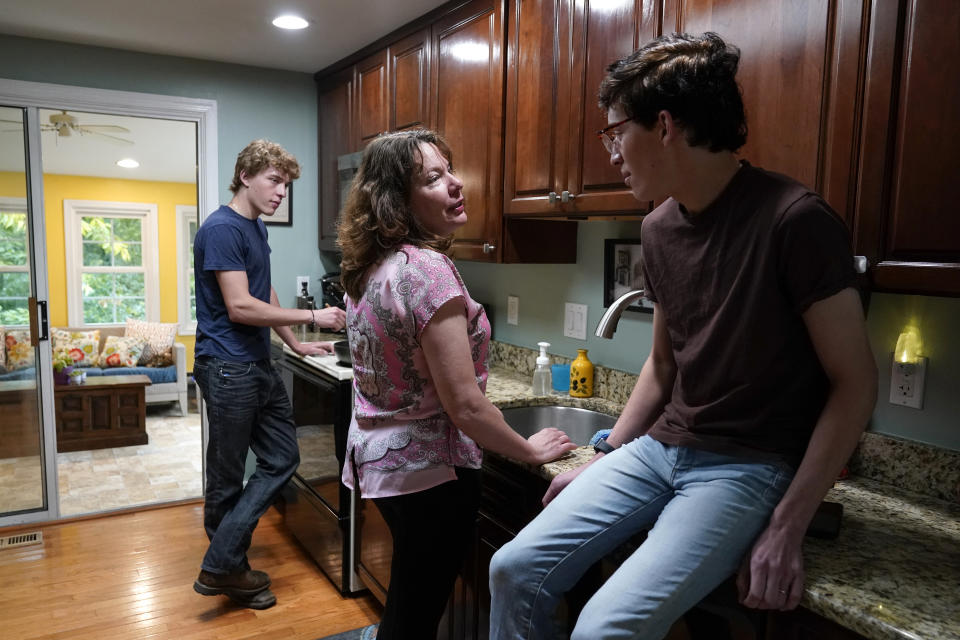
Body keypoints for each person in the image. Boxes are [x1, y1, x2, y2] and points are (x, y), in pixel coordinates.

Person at [489, 32, 878, 639]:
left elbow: (854, 385)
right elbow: (663, 367)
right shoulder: (658, 228)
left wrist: (787, 524)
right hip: (658, 450)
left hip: (747, 468)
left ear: (665, 125)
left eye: (616, 132)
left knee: (602, 628)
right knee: (512, 566)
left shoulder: (795, 219)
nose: (612, 152)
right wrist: (606, 454)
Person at [337, 129, 577, 640]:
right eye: (433, 177)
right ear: (396, 201)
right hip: (432, 474)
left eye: (450, 169)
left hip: (381, 462)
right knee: (416, 618)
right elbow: (466, 405)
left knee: (406, 604)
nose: (455, 183)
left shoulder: (372, 267)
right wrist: (528, 452)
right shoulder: (429, 271)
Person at [192, 139, 346, 609]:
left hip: (258, 363)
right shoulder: (221, 228)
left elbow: (264, 289)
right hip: (226, 366)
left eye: (286, 184)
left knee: (282, 458)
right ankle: (230, 570)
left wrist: (295, 343)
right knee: (226, 476)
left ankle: (222, 562)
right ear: (245, 176)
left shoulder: (254, 227)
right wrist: (314, 318)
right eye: (274, 181)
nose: (281, 192)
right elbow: (239, 306)